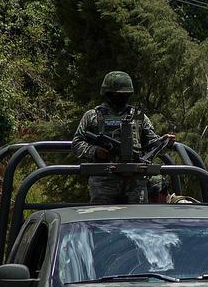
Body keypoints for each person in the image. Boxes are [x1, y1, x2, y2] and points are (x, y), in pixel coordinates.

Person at [71, 71, 174, 204]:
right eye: (117, 94)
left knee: (137, 221)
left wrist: (165, 142)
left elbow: (152, 145)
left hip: (135, 180)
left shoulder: (138, 116)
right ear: (108, 93)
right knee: (102, 221)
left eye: (125, 94)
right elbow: (77, 143)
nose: (121, 97)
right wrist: (96, 152)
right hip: (104, 180)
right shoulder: (92, 116)